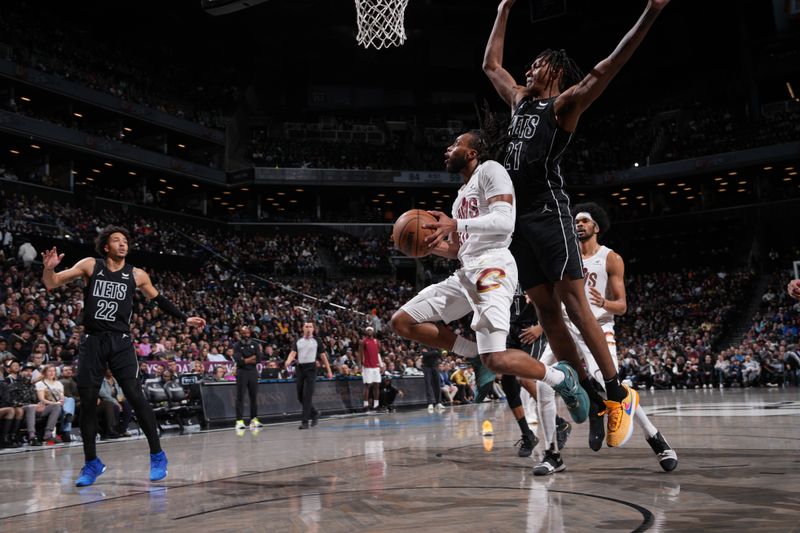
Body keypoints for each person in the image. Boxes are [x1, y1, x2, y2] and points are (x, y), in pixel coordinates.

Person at [482, 0, 671, 445]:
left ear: (556, 72)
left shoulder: (563, 105)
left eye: (538, 64)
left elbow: (607, 67)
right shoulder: (519, 103)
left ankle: (615, 390)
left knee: (573, 301)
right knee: (547, 313)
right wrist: (505, 7)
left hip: (548, 212)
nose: (528, 69)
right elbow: (491, 64)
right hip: (517, 223)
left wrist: (650, 12)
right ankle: (585, 388)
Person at [391, 131, 588, 427]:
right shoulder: (460, 198)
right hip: (467, 271)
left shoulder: (491, 171)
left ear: (472, 153)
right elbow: (460, 248)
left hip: (493, 267)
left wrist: (456, 223)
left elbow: (504, 221)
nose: (449, 148)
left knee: (495, 359)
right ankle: (471, 354)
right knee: (402, 322)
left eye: (456, 144)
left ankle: (563, 378)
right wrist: (434, 246)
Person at [41, 225, 206, 486]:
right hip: (93, 341)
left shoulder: (137, 274)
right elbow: (52, 283)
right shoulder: (91, 265)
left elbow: (158, 299)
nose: (122, 244)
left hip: (121, 342)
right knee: (88, 400)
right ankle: (91, 463)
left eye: (125, 241)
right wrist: (49, 268)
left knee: (135, 395)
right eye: (116, 240)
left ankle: (157, 455)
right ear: (106, 246)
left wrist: (184, 318)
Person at [533, 204, 678, 475]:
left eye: (584, 221)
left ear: (596, 227)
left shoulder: (610, 258)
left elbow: (622, 306)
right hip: (565, 328)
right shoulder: (565, 257)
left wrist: (604, 302)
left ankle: (656, 439)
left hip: (598, 327)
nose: (578, 224)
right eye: (575, 221)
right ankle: (553, 454)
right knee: (541, 384)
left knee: (609, 383)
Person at [284, 321, 333, 429]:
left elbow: (323, 356)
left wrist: (329, 370)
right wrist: (288, 360)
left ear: (313, 329)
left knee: (307, 396)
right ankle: (315, 413)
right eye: (306, 326)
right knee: (300, 397)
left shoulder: (317, 341)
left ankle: (305, 422)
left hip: (311, 368)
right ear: (303, 328)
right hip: (300, 368)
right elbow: (293, 352)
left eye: (310, 326)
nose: (308, 328)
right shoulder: (298, 341)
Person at [233, 326, 263, 430]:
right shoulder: (236, 345)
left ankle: (254, 419)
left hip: (253, 372)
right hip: (242, 372)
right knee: (240, 397)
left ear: (250, 333)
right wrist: (251, 358)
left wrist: (246, 359)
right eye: (243, 333)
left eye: (247, 333)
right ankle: (239, 421)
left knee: (253, 397)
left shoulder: (255, 344)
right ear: (240, 334)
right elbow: (239, 361)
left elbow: (259, 359)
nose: (246, 335)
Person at [357, 326, 382, 412]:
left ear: (373, 331)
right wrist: (360, 367)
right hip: (367, 367)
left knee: (377, 385)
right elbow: (360, 355)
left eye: (371, 330)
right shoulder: (363, 342)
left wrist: (381, 365)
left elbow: (377, 354)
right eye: (368, 330)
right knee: (367, 386)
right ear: (366, 332)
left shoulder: (377, 341)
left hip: (376, 367)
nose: (369, 331)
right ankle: (365, 405)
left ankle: (376, 405)